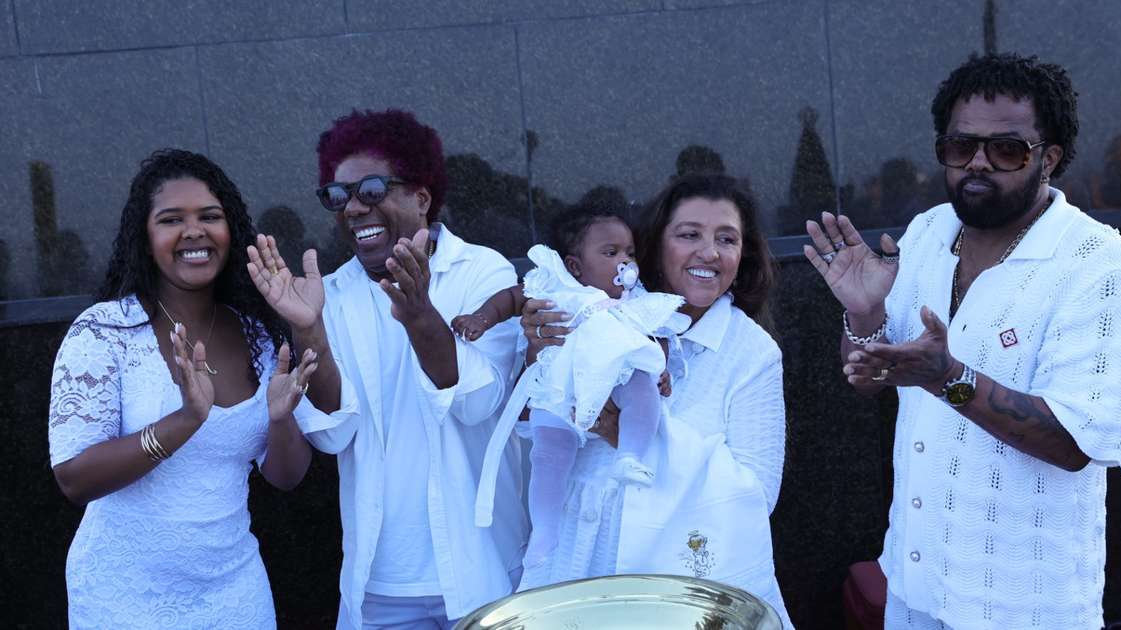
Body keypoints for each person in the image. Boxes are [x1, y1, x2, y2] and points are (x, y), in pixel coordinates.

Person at [804, 53, 1121, 629]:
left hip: (1022, 608)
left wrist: (949, 379)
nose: (978, 163)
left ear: (1050, 159)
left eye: (1006, 150)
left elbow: (1075, 444)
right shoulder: (928, 232)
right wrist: (865, 313)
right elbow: (869, 376)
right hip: (913, 585)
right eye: (960, 146)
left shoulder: (1099, 268)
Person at [247, 108, 527, 629]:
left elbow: (479, 402)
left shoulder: (482, 270)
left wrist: (420, 315)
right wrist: (309, 328)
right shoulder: (328, 294)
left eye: (371, 190)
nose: (353, 207)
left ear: (421, 198)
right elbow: (334, 432)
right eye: (338, 195)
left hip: (482, 570)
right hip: (382, 585)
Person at [48, 149, 318, 628]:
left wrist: (279, 421)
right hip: (126, 600)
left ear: (229, 231)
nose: (194, 231)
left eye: (209, 217)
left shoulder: (257, 336)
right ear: (145, 238)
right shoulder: (106, 332)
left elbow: (286, 477)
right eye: (172, 219)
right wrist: (185, 421)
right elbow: (75, 478)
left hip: (235, 595)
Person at [518, 174, 793, 626]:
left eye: (726, 238)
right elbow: (536, 434)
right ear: (655, 245)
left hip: (680, 583)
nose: (709, 252)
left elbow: (757, 494)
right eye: (689, 235)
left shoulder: (751, 351)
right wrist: (541, 355)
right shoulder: (595, 314)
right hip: (579, 558)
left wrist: (627, 435)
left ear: (742, 256)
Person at [459, 206, 684, 572]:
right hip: (562, 388)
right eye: (611, 254)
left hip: (617, 381)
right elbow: (511, 299)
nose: (624, 263)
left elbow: (655, 335)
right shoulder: (555, 287)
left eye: (630, 253)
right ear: (575, 266)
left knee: (644, 390)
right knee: (548, 455)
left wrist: (661, 369)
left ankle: (631, 455)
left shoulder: (633, 300)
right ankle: (544, 533)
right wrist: (480, 319)